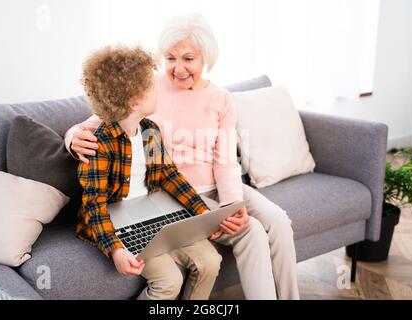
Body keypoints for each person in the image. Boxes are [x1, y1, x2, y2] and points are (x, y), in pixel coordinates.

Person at [67, 13, 299, 300]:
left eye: (188, 59)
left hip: (214, 183)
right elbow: (99, 121)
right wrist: (72, 138)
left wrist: (230, 203)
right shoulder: (142, 89)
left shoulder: (218, 99)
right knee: (251, 231)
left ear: (206, 58)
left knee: (278, 220)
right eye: (170, 58)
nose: (177, 69)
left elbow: (224, 161)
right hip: (179, 194)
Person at [76, 44, 222, 300]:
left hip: (154, 211)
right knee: (169, 281)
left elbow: (169, 175)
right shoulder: (99, 145)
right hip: (119, 224)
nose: (158, 90)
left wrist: (202, 213)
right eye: (151, 87)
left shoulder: (149, 130)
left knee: (210, 260)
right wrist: (116, 250)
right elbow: (93, 206)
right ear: (134, 101)